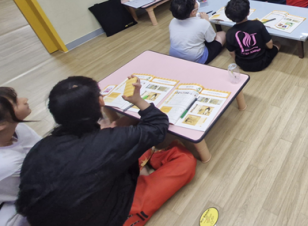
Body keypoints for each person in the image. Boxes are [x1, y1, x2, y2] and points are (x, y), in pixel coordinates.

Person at [17, 76, 196, 226]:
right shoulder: (111, 141)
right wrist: (138, 101)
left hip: (58, 214)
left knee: (132, 145)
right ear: (101, 101)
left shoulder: (40, 147)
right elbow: (158, 125)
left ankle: (150, 157)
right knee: (186, 160)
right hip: (110, 216)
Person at [0, 88, 39, 226]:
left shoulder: (16, 127)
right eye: (15, 103)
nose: (24, 99)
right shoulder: (8, 165)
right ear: (1, 124)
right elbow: (35, 192)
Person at [225, 0, 279, 72]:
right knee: (278, 43)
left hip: (243, 64)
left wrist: (238, 62)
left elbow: (232, 53)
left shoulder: (229, 33)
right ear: (248, 12)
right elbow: (270, 45)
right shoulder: (258, 24)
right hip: (262, 62)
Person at [169, 0, 225, 64]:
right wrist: (207, 21)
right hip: (196, 59)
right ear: (193, 12)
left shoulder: (173, 21)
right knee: (222, 34)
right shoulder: (203, 23)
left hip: (174, 56)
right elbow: (212, 39)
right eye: (195, 1)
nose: (196, 1)